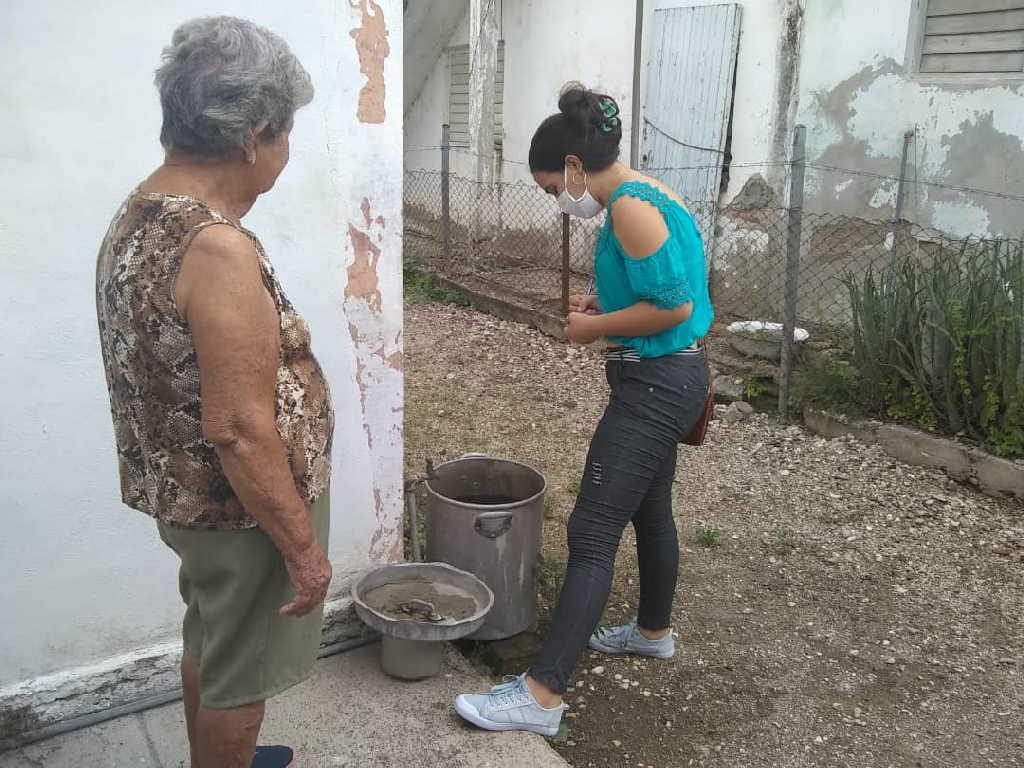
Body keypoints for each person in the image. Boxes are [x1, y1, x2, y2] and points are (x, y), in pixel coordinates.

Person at [95, 17, 334, 768]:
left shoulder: (141, 211)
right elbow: (236, 427)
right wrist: (304, 551)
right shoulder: (216, 247)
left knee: (211, 637)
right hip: (241, 512)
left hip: (190, 501)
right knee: (244, 673)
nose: (284, 158)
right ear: (255, 135)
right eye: (287, 136)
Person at [454, 83, 714, 736]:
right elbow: (660, 292)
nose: (557, 201)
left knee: (592, 531)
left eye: (551, 189)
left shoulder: (627, 208)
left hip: (654, 385)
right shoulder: (651, 193)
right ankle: (652, 631)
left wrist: (592, 330)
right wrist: (611, 312)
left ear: (574, 166)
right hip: (673, 374)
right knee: (651, 510)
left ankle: (541, 696)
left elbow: (677, 305)